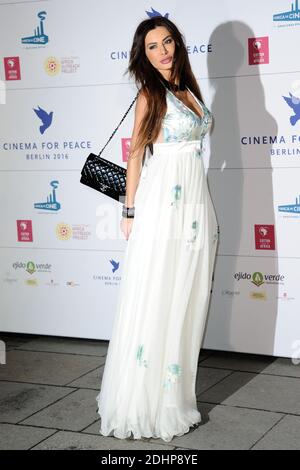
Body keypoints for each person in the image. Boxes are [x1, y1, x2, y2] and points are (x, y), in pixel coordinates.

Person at [96, 15, 219, 442]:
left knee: (186, 300)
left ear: (178, 45)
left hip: (195, 204)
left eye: (167, 42)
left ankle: (175, 395)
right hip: (164, 204)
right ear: (143, 55)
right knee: (160, 294)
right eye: (153, 46)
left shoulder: (188, 89)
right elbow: (135, 156)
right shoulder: (151, 93)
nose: (163, 51)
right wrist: (129, 212)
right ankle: (146, 402)